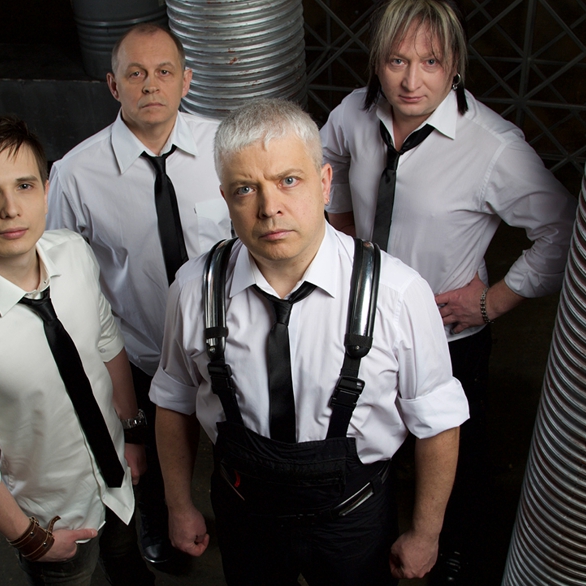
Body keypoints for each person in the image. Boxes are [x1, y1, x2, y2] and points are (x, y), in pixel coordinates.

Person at [150, 98, 469, 585]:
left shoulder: (398, 294)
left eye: (288, 180)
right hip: (243, 511)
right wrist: (178, 504)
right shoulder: (194, 289)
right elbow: (174, 401)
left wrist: (426, 532)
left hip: (354, 518)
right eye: (245, 189)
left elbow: (438, 422)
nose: (269, 208)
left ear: (324, 183)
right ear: (225, 199)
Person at [320, 0, 577, 582]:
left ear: (455, 64)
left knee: (455, 454)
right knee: (370, 440)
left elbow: (564, 231)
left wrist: (493, 301)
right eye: (397, 61)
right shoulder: (354, 113)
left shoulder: (492, 145)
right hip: (363, 325)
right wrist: (344, 228)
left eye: (430, 62)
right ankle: (376, 541)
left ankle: (454, 551)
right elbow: (326, 159)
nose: (411, 81)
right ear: (377, 62)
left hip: (447, 336)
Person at [0, 113, 155, 585]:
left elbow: (107, 341)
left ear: (45, 191)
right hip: (53, 519)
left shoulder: (73, 252)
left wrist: (132, 432)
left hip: (120, 479)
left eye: (24, 186)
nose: (11, 209)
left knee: (130, 568)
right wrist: (31, 539)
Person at [46, 23, 230, 566]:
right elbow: (60, 274)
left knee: (236, 447)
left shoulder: (225, 146)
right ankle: (158, 520)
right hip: (142, 351)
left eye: (164, 72)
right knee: (144, 454)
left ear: (186, 81)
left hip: (226, 343)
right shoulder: (76, 174)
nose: (151, 84)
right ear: (113, 85)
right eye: (136, 73)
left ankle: (233, 520)